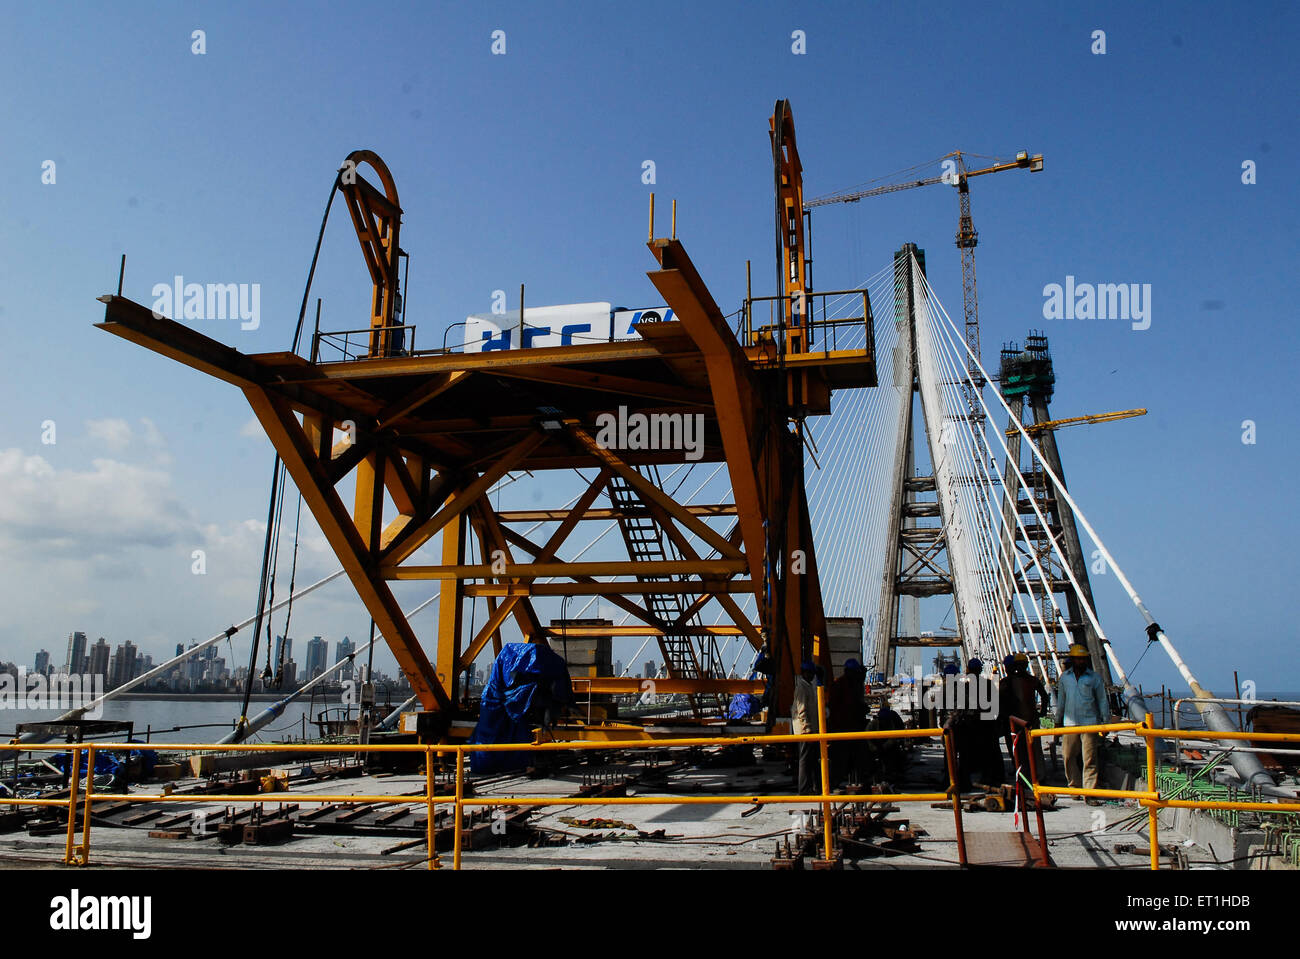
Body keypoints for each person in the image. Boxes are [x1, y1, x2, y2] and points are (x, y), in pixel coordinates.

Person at [1054, 644, 1110, 803]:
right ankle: (1074, 786)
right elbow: (1061, 702)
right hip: (1070, 723)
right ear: (1072, 660)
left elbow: (1102, 701)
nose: (1080, 661)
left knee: (1090, 758)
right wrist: (1058, 722)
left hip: (1090, 722)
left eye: (1083, 658)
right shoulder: (1065, 678)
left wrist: (1105, 723)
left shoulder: (1094, 678)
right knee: (1068, 756)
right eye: (1078, 658)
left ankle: (1089, 792)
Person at [999, 652, 1049, 785]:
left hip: (1021, 722)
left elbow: (1000, 701)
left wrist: (1042, 712)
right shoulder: (1030, 680)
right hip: (1024, 722)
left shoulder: (1010, 681)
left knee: (1025, 751)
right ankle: (1033, 776)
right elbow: (1044, 696)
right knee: (1029, 751)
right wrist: (1042, 712)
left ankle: (1029, 776)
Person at [828, 659, 868, 787]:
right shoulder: (844, 685)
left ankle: (853, 780)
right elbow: (850, 705)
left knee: (853, 758)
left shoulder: (849, 684)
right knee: (843, 758)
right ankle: (838, 781)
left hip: (848, 728)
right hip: (844, 728)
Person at [791, 660, 820, 796]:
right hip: (805, 731)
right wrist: (807, 728)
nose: (812, 676)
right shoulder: (802, 688)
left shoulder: (807, 686)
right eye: (810, 673)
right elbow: (801, 711)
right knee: (805, 760)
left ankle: (814, 786)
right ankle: (804, 789)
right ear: (805, 673)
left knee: (812, 759)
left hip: (810, 729)